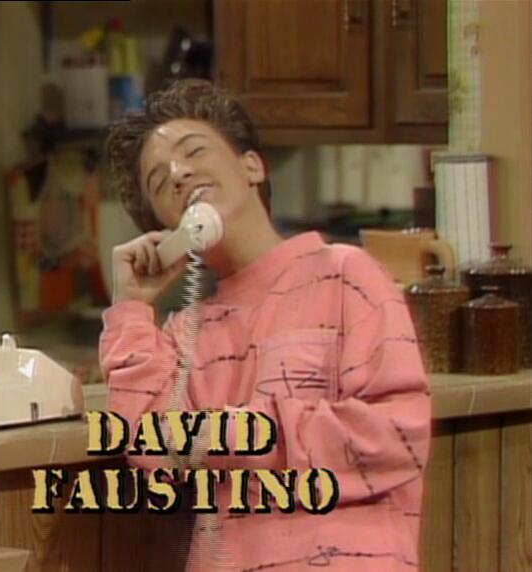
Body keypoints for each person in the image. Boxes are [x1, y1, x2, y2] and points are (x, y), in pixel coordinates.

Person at [100, 79, 431, 571]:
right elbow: (151, 450)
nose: (179, 174)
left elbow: (397, 436)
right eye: (159, 181)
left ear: (252, 165)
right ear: (166, 227)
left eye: (194, 151)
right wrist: (130, 307)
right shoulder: (184, 333)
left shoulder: (347, 275)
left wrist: (235, 435)